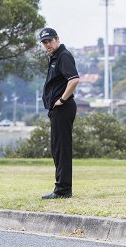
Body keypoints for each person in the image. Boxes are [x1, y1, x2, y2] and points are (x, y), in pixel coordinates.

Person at [39, 27, 80, 199]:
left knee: (62, 149)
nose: (47, 44)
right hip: (57, 110)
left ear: (57, 39)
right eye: (44, 42)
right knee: (57, 148)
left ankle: (63, 190)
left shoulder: (63, 55)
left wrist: (61, 100)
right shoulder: (55, 57)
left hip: (63, 108)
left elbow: (74, 79)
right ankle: (61, 187)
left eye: (50, 40)